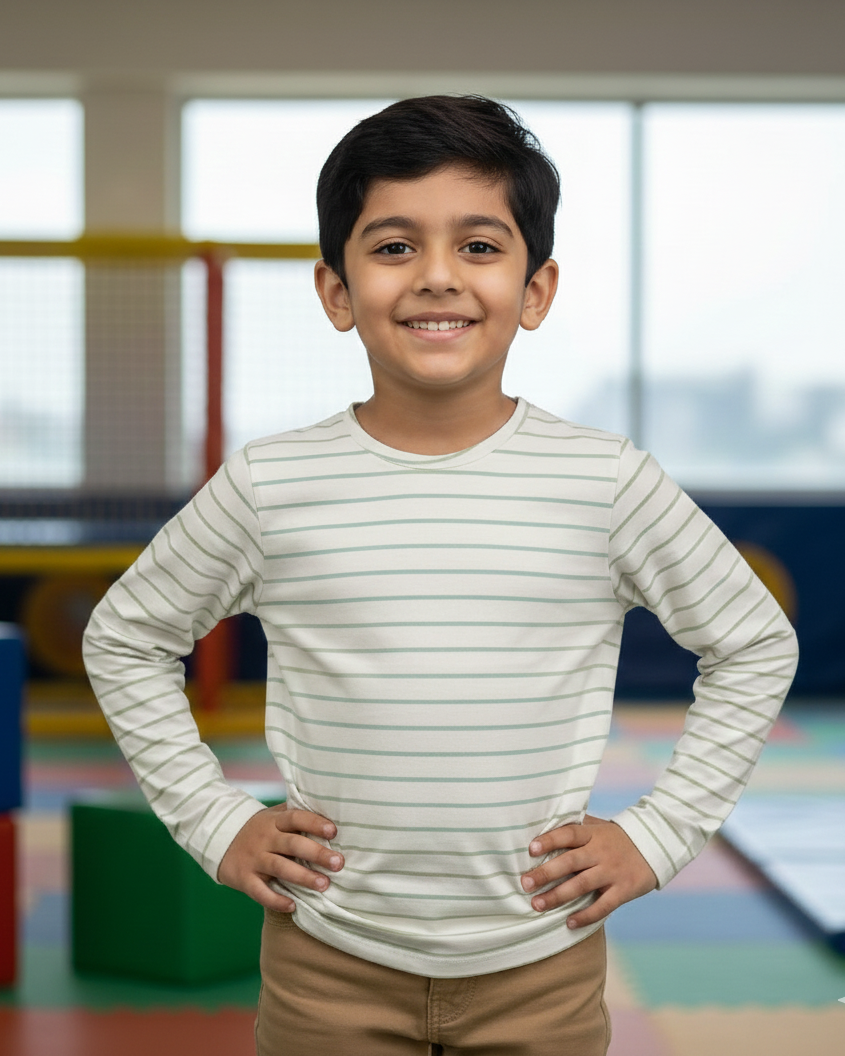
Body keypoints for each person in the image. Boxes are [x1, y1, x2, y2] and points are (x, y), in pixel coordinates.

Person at [83, 96, 798, 1056]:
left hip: (541, 960)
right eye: (391, 248)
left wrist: (657, 833)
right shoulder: (271, 483)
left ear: (535, 290)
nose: (434, 277)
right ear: (336, 292)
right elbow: (125, 634)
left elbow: (753, 640)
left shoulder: (605, 481)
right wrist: (216, 822)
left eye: (477, 246)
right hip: (325, 957)